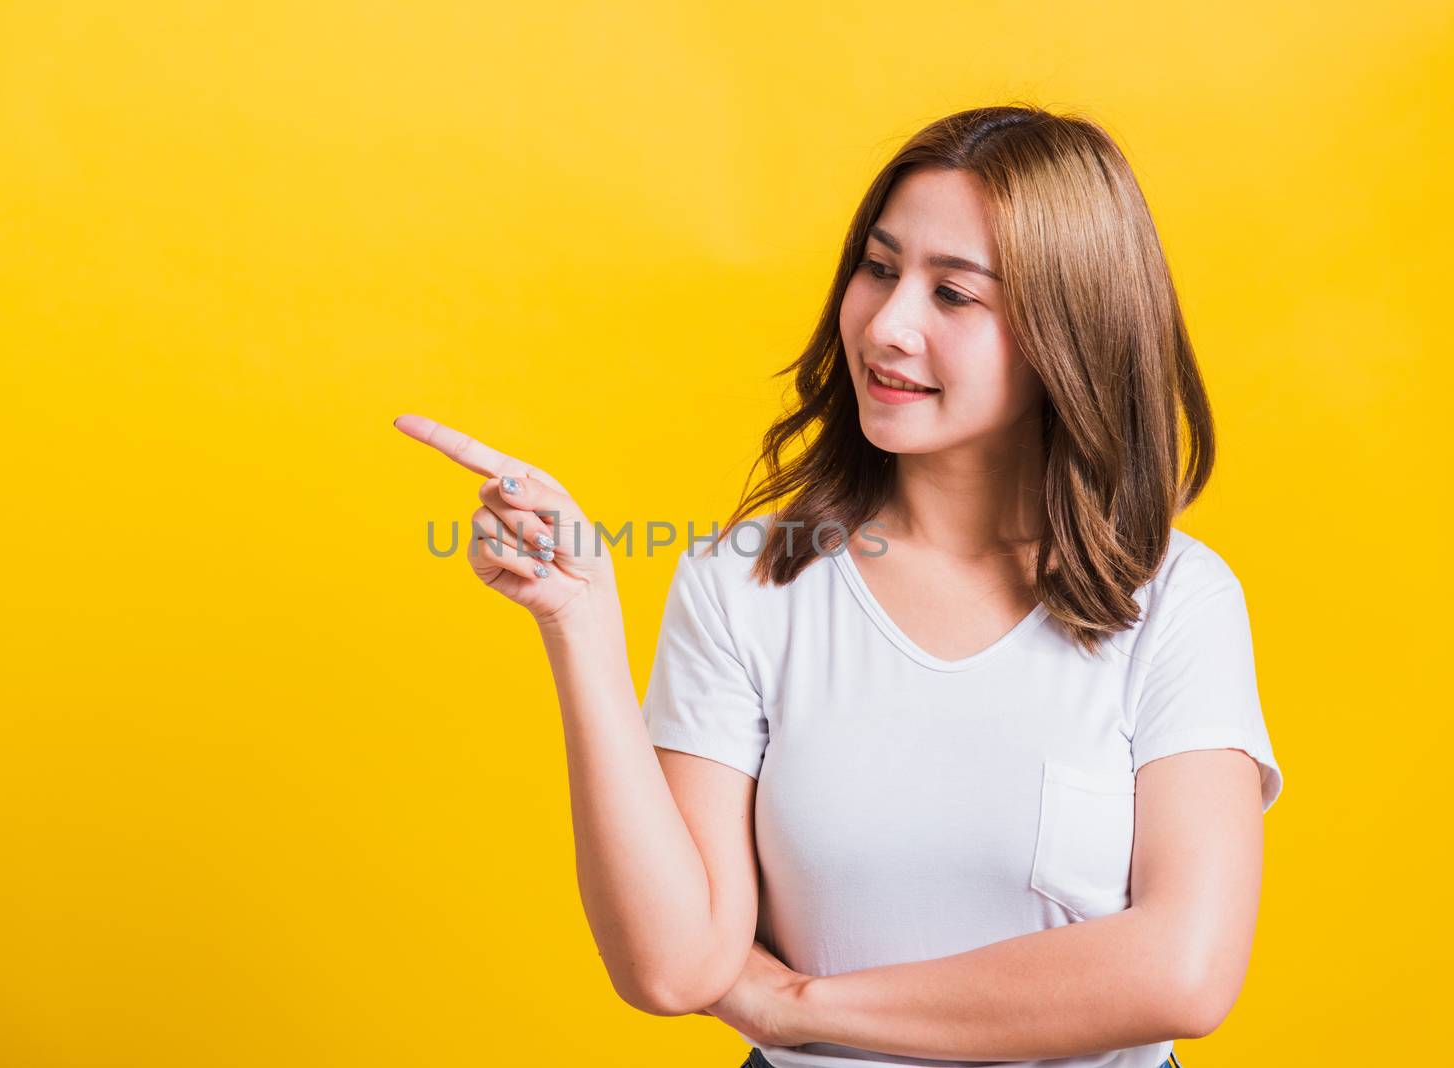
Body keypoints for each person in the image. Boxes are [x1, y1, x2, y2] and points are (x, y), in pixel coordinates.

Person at [394, 102, 1281, 1068]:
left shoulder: (1176, 603)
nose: (889, 325)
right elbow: (675, 967)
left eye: (954, 295)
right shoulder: (747, 586)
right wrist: (579, 620)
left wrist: (798, 1007)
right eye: (880, 267)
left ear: (1069, 333)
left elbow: (1183, 974)